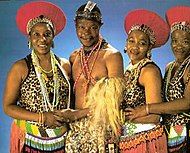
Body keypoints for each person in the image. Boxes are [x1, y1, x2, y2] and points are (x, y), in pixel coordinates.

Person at [54, 1, 124, 152]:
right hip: (75, 129)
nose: (86, 32)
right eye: (82, 27)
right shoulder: (74, 57)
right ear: (75, 27)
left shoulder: (112, 56)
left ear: (99, 27)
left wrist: (78, 114)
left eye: (93, 27)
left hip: (103, 128)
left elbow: (114, 102)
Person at [144, 6, 190, 152]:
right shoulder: (169, 67)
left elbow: (188, 102)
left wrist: (146, 109)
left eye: (185, 41)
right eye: (175, 40)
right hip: (173, 134)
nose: (178, 46)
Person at [3, 1, 71, 152]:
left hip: (60, 141)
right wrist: (42, 117)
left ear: (53, 36)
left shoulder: (65, 65)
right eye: (36, 34)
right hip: (30, 141)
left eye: (47, 34)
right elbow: (8, 107)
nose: (42, 39)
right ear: (30, 38)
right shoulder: (20, 67)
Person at [119, 9, 169, 153]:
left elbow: (154, 116)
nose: (135, 47)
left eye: (142, 43)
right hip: (129, 138)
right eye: (131, 41)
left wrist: (122, 120)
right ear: (126, 44)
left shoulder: (149, 71)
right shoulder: (129, 68)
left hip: (146, 140)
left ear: (149, 48)